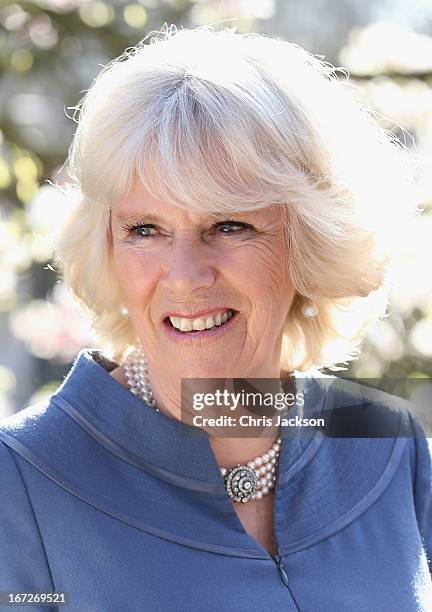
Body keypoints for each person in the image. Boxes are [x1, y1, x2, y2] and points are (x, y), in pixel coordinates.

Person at [0, 25, 430, 612]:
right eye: (144, 230)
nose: (184, 276)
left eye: (230, 226)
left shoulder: (387, 443)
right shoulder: (21, 478)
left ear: (310, 241)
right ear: (107, 247)